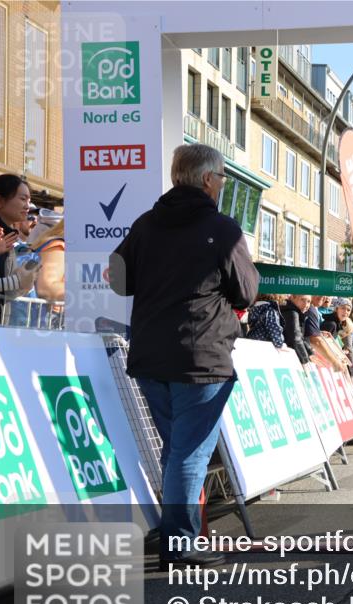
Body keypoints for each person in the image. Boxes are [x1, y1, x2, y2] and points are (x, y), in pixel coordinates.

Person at [109, 143, 259, 569]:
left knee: (176, 448)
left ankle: (175, 527)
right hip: (202, 355)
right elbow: (246, 291)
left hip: (151, 355)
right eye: (223, 176)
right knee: (189, 452)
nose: (223, 183)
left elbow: (119, 279)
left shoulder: (145, 224)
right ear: (208, 179)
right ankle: (178, 540)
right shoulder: (223, 228)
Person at [0, 174, 38, 324]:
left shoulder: (7, 236)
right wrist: (16, 281)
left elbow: (5, 289)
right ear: (0, 201)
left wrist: (24, 284)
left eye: (29, 200)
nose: (27, 206)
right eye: (23, 199)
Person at [280, 294, 313, 363]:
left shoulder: (295, 312)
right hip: (286, 358)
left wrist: (311, 353)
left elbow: (300, 338)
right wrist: (306, 361)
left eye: (308, 301)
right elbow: (296, 339)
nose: (305, 305)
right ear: (292, 298)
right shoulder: (292, 313)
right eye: (302, 300)